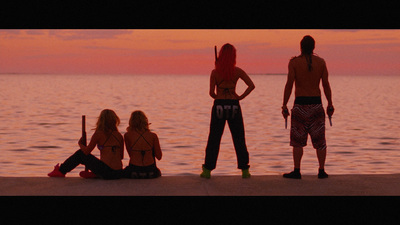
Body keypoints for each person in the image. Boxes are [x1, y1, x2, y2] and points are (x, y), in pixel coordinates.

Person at [282, 35, 334, 179]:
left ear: (301, 47)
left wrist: (284, 105)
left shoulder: (294, 63)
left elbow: (289, 84)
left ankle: (297, 170)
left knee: (297, 141)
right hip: (316, 105)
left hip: (300, 105)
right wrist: (330, 103)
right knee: (320, 141)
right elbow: (325, 85)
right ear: (313, 47)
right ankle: (321, 170)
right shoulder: (321, 62)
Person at [201, 43, 255, 179]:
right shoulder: (237, 71)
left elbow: (211, 93)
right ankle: (245, 170)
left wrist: (218, 96)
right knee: (239, 138)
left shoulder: (215, 72)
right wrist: (240, 97)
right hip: (234, 105)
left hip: (219, 104)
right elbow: (251, 85)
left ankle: (207, 170)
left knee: (214, 138)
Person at [48, 109, 124, 179]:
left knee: (80, 153)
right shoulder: (119, 135)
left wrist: (80, 144)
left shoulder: (99, 134)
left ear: (101, 120)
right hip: (118, 172)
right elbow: (121, 156)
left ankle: (61, 171)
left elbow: (86, 152)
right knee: (98, 162)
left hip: (107, 172)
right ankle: (96, 173)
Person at [122, 110, 162, 179]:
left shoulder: (127, 135)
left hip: (134, 170)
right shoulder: (153, 136)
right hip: (151, 170)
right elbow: (159, 156)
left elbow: (130, 155)